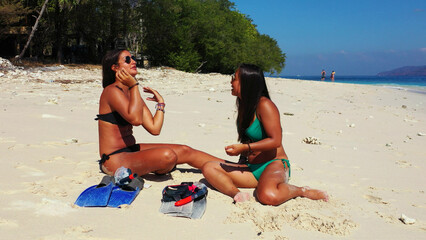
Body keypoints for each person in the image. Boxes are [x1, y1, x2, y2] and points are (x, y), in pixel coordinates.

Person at [202, 64, 329, 206]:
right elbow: (249, 137)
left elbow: (276, 141)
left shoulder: (265, 105)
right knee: (208, 168)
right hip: (251, 168)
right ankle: (237, 194)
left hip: (273, 164)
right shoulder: (244, 105)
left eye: (235, 78)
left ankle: (301, 191)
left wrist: (244, 148)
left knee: (267, 196)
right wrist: (242, 159)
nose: (231, 81)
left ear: (247, 83)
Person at [97, 49, 223, 176]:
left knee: (185, 150)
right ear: (115, 67)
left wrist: (160, 104)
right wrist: (134, 86)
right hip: (114, 159)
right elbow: (136, 120)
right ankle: (159, 165)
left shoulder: (132, 93)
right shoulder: (111, 91)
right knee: (168, 156)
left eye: (133, 58)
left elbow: (154, 128)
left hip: (131, 150)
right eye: (127, 60)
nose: (133, 61)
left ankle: (231, 166)